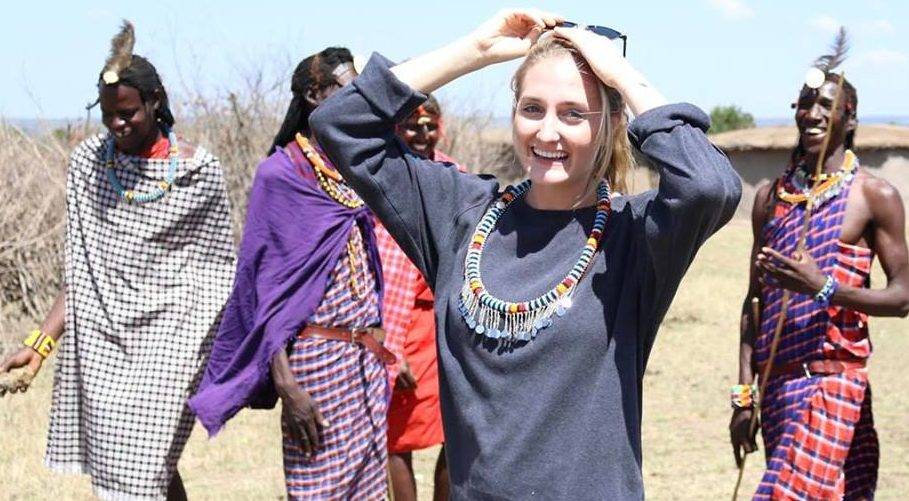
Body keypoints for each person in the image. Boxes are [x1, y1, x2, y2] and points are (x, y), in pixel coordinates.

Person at [310, 9, 741, 499]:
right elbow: (340, 125)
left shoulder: (634, 238)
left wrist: (620, 75)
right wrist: (474, 51)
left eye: (574, 113)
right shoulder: (459, 215)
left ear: (610, 125)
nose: (548, 132)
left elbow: (709, 185)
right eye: (532, 108)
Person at [0, 21, 236, 500]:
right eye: (107, 115)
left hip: (173, 348)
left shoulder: (196, 171)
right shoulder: (90, 163)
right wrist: (39, 344)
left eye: (127, 113)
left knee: (149, 466)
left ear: (155, 102)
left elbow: (219, 275)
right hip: (104, 349)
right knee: (143, 475)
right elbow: (84, 272)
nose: (117, 125)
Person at [189, 47, 395, 500]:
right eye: (347, 89)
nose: (358, 99)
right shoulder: (280, 175)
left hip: (364, 360)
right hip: (313, 361)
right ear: (312, 96)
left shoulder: (354, 168)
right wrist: (285, 384)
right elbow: (262, 289)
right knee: (318, 491)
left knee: (369, 492)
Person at [729, 30, 909, 500]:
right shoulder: (771, 199)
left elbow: (903, 297)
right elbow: (754, 302)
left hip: (835, 385)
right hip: (779, 390)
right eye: (805, 104)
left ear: (849, 119)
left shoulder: (874, 197)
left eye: (825, 106)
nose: (812, 114)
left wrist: (824, 286)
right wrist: (745, 396)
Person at [382, 95, 454, 501]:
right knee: (397, 438)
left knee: (456, 434)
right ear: (395, 127)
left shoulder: (453, 174)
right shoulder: (378, 179)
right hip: (399, 327)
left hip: (449, 325)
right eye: (413, 126)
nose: (423, 135)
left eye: (430, 126)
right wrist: (392, 343)